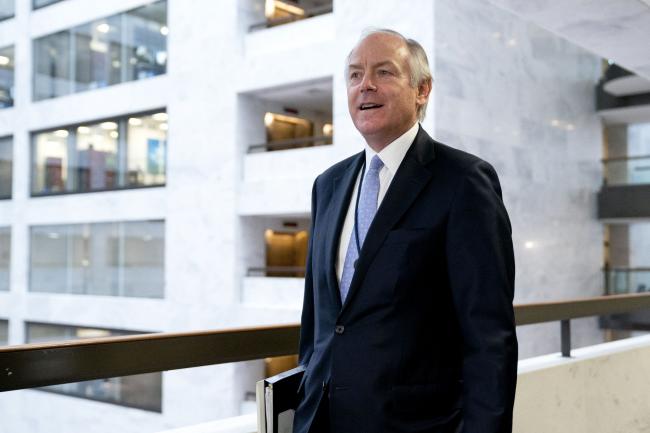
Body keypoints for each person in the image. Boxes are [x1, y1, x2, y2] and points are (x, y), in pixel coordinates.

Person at [293, 28, 518, 433]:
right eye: (355, 75)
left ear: (422, 90)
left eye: (384, 72)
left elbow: (489, 340)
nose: (366, 86)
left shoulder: (463, 182)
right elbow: (318, 324)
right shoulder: (327, 185)